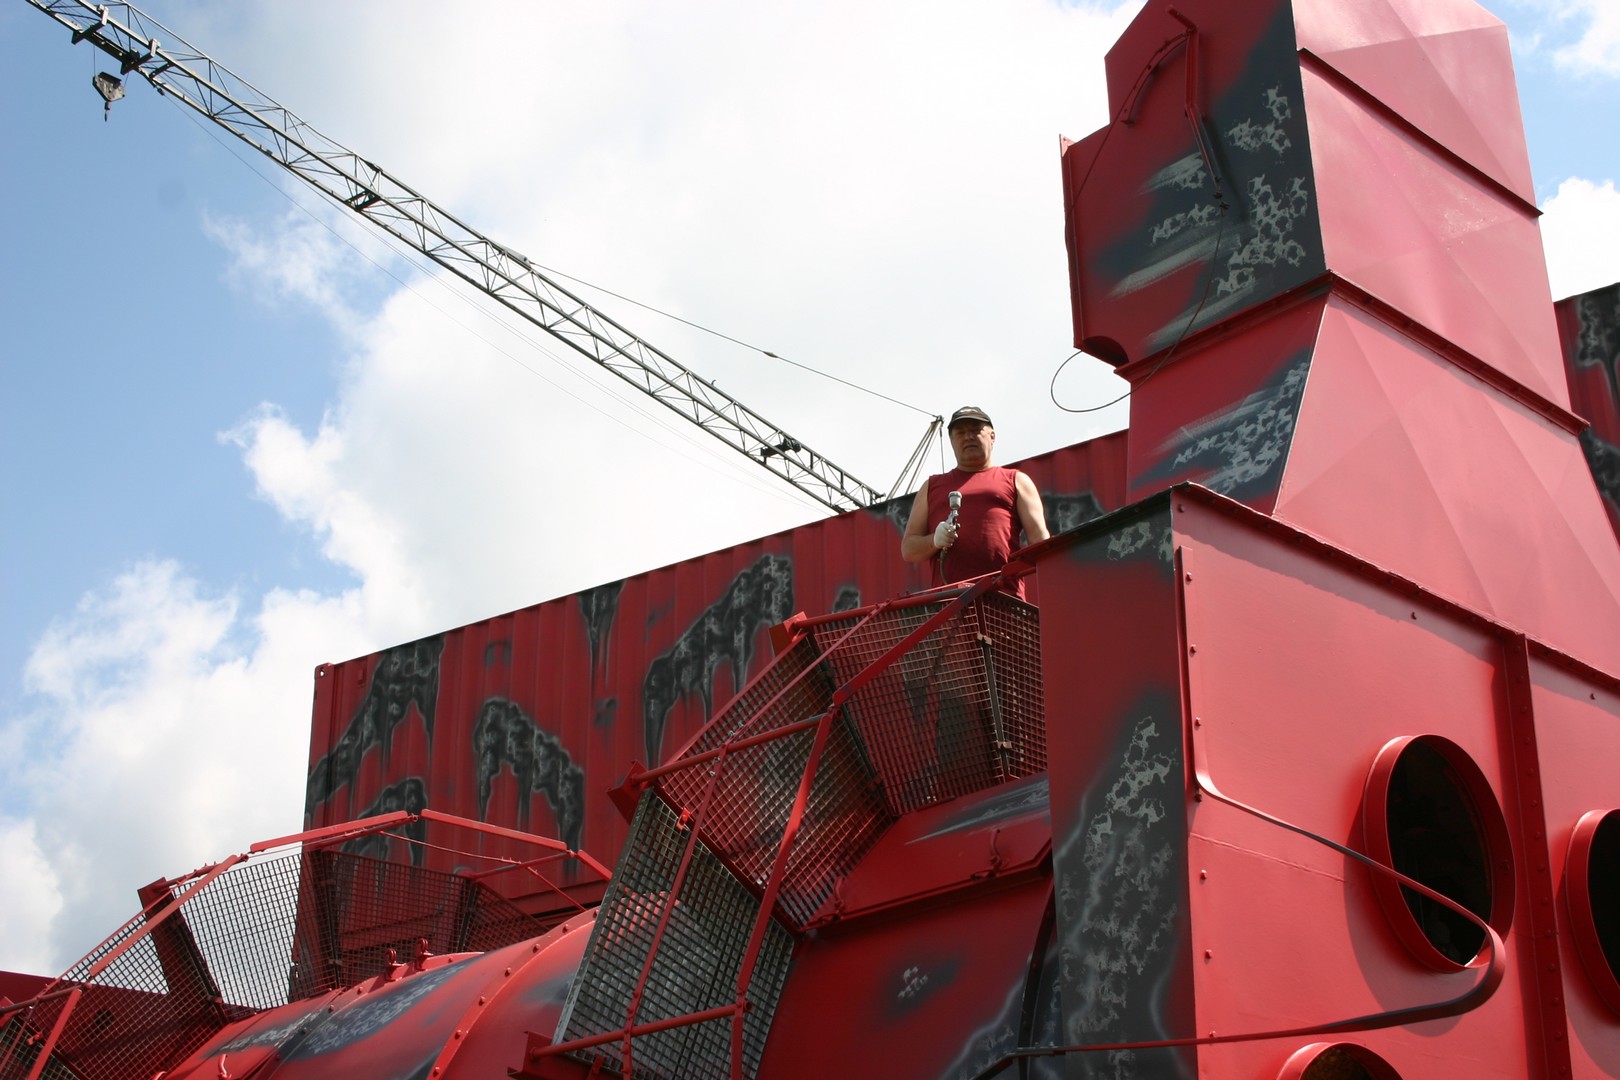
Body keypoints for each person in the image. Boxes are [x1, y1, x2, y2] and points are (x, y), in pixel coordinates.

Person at [902, 406, 1050, 597]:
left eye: (975, 430)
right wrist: (934, 541)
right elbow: (909, 549)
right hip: (950, 604)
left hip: (1005, 600)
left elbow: (1041, 543)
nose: (968, 437)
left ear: (992, 436)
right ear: (952, 441)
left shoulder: (1016, 480)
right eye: (960, 432)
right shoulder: (931, 487)